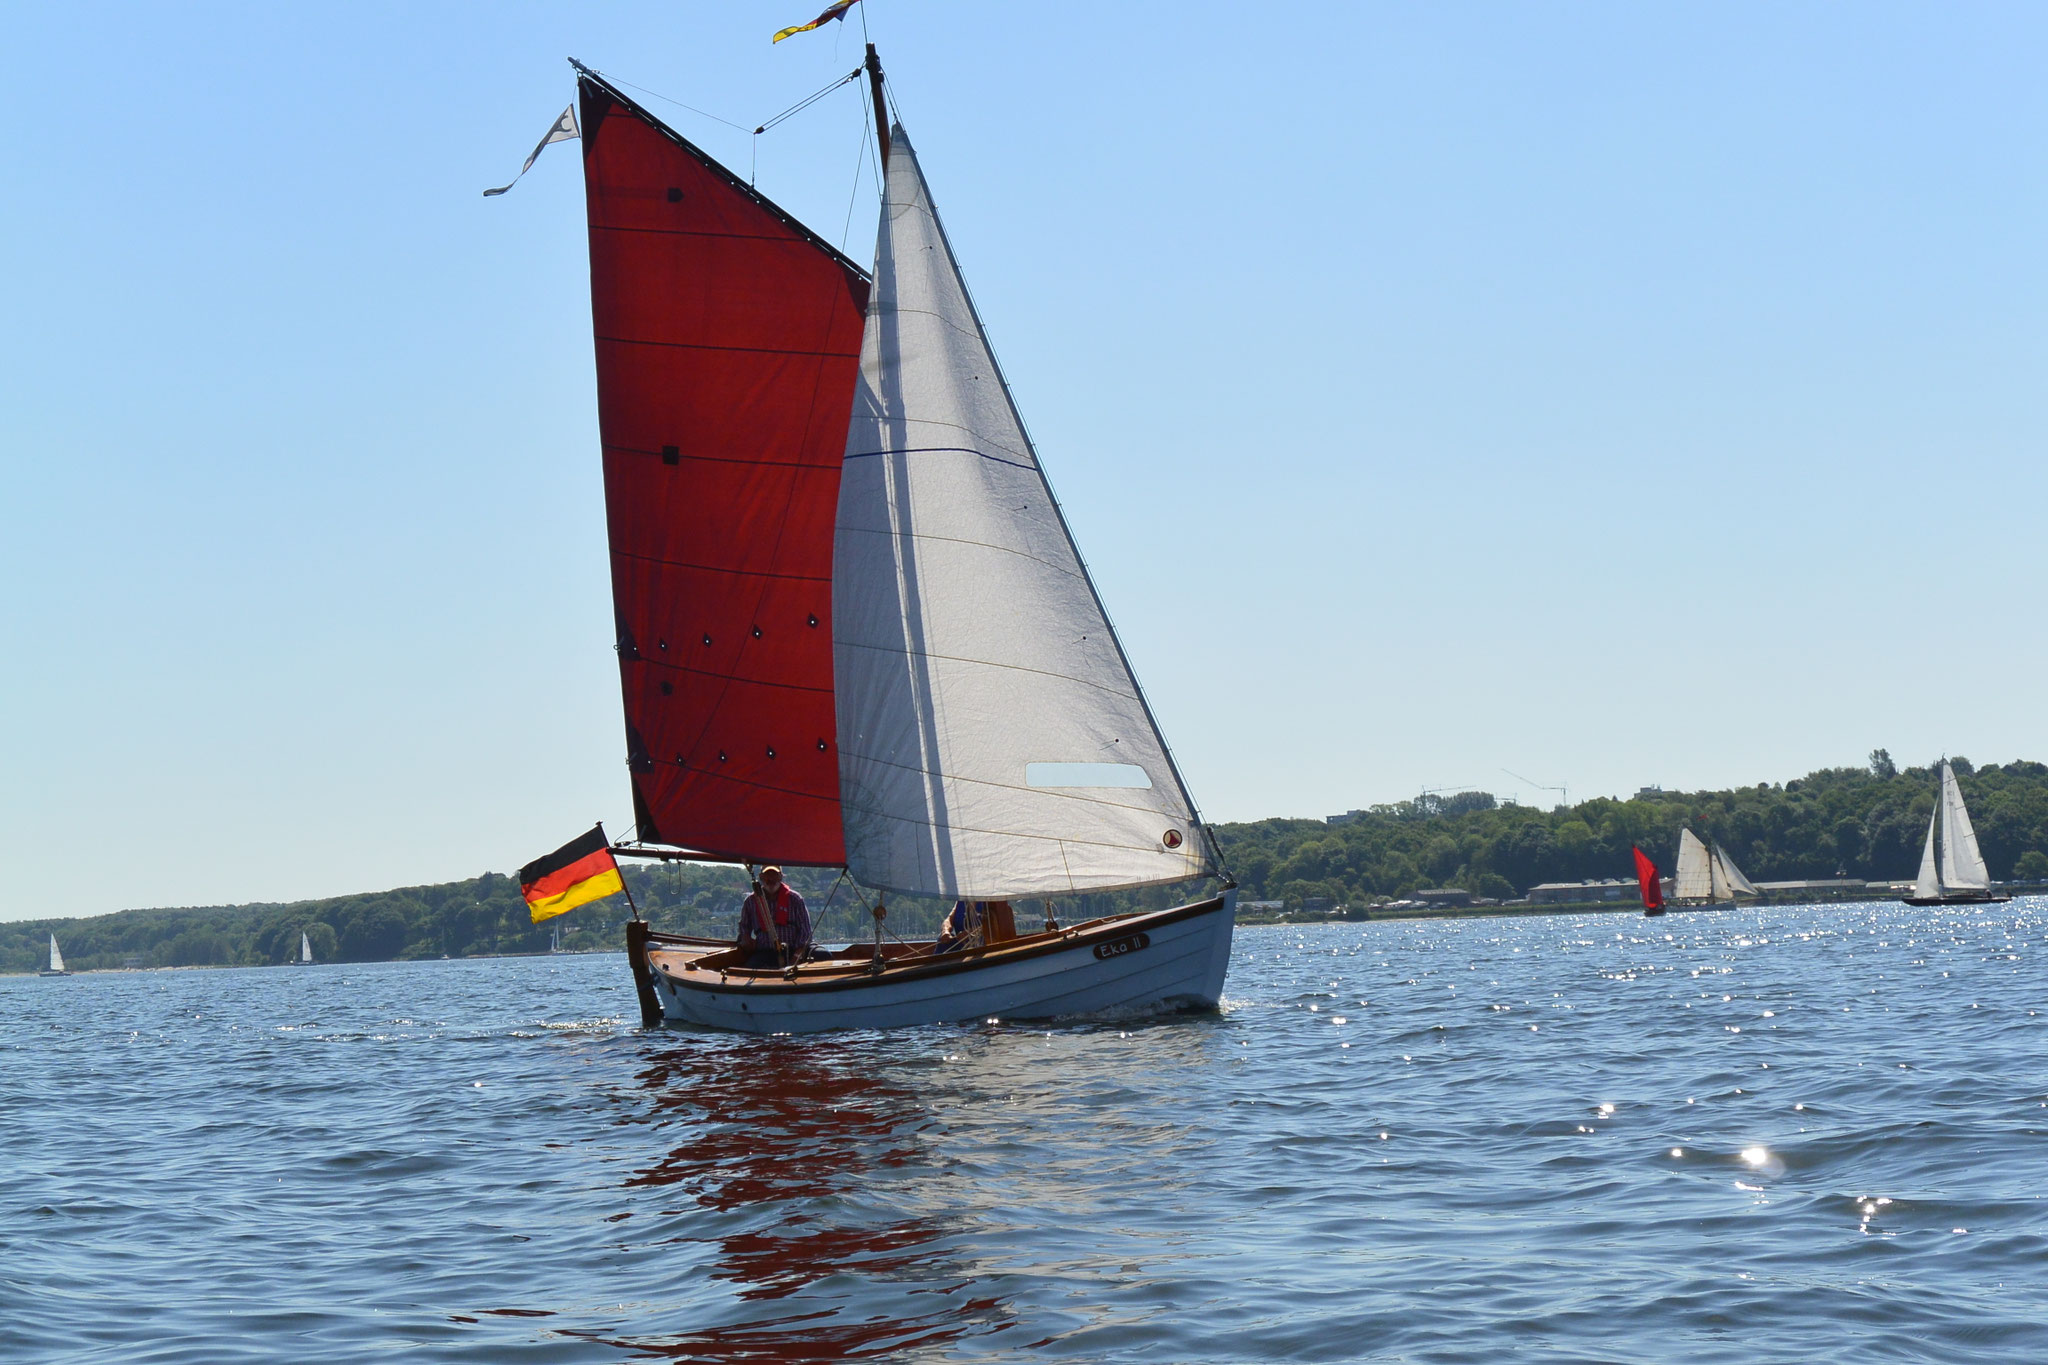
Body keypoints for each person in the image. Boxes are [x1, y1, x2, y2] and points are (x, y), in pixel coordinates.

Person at [735, 867, 811, 969]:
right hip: (765, 952)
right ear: (761, 877)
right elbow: (744, 927)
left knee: (823, 956)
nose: (771, 879)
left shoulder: (795, 899)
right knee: (749, 968)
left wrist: (796, 957)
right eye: (767, 875)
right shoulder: (751, 901)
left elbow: (805, 931)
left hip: (793, 950)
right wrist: (746, 939)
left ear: (780, 877)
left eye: (774, 875)